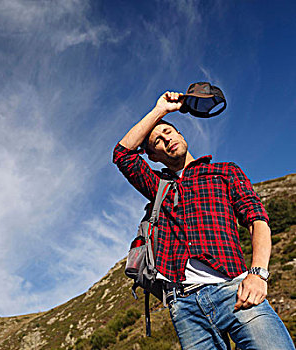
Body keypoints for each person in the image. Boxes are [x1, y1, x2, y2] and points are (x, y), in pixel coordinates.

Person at [113, 91, 294, 349]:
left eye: (169, 132)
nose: (166, 139)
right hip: (184, 306)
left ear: (181, 135)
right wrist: (161, 110)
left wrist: (258, 274)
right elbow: (122, 155)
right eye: (157, 142)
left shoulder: (224, 172)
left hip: (234, 288)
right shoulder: (158, 186)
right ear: (152, 156)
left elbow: (257, 220)